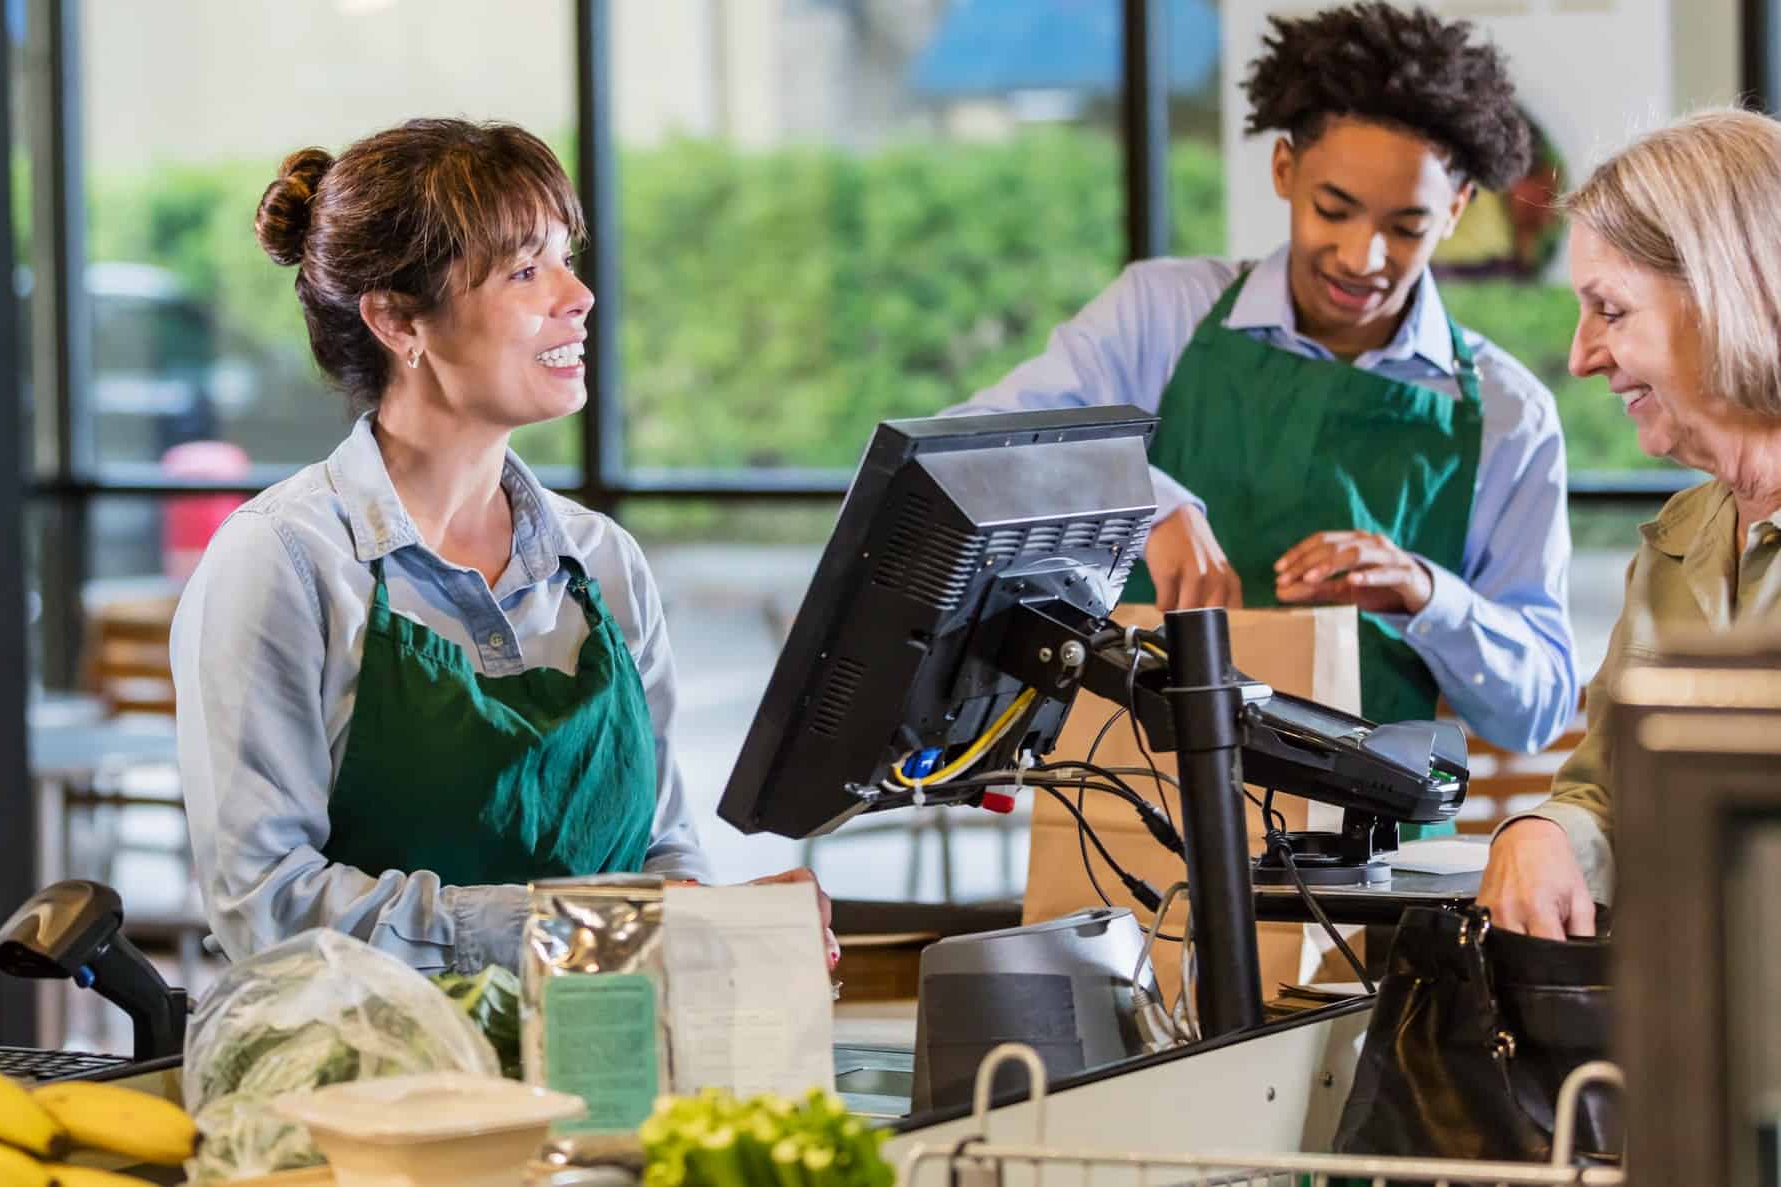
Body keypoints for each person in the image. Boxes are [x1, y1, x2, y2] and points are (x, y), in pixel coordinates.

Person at [170, 119, 830, 973]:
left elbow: (665, 854)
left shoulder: (604, 563)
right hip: (365, 1085)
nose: (578, 295)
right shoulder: (285, 563)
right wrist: (579, 928)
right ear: (398, 320)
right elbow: (269, 905)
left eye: (567, 257)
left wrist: (720, 929)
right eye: (526, 270)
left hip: (608, 1075)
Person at [949, 1, 1579, 765]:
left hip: (1374, 866)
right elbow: (966, 457)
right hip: (1129, 819)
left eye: (1406, 227)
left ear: (1457, 208)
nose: (1362, 257)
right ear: (1285, 169)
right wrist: (1141, 500)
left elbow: (1538, 709)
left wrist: (1426, 594)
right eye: (1333, 209)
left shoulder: (1512, 416)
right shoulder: (1161, 314)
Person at [1479, 108, 1781, 939]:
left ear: (1731, 296)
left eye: (1610, 312)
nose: (1579, 357)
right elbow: (1608, 791)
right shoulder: (1677, 541)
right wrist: (1544, 832)